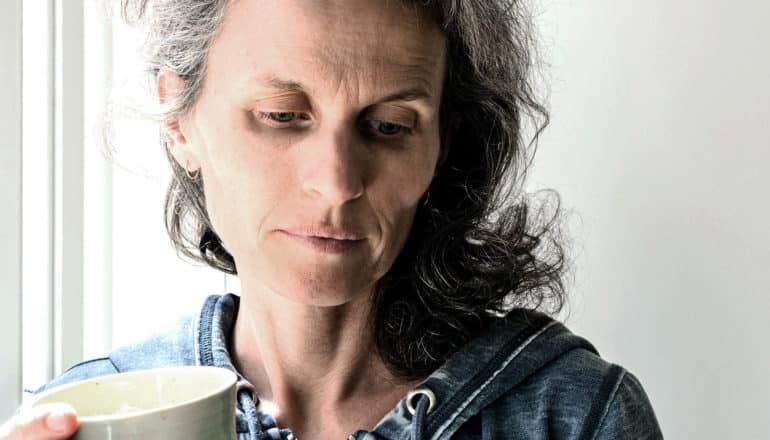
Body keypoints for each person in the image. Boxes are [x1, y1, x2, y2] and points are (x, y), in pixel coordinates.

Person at [1, 0, 663, 438]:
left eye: (388, 126)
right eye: (283, 116)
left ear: (444, 143)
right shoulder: (83, 414)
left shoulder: (572, 418)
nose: (339, 181)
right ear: (178, 118)